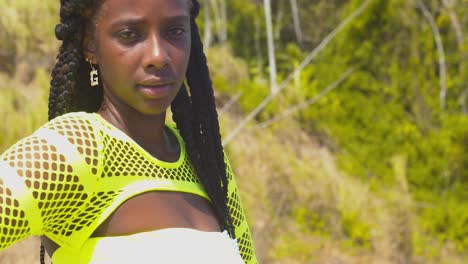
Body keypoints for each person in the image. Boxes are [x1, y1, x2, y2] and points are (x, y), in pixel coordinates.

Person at [0, 0, 257, 263]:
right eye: (129, 35)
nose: (158, 56)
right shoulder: (79, 148)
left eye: (175, 31)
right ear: (90, 43)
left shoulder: (207, 162)